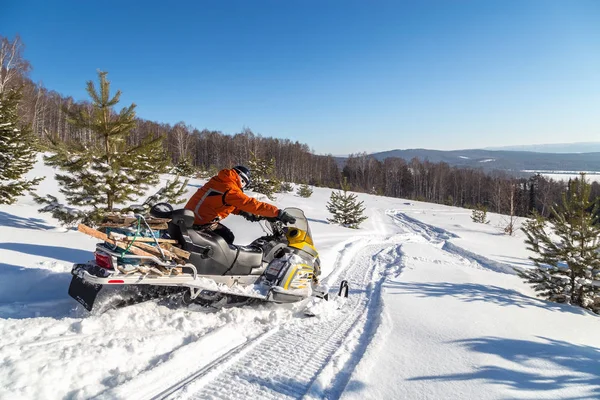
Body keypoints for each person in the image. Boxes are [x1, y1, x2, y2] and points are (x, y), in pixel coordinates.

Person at [184, 165, 296, 245]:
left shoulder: (222, 181)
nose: (243, 188)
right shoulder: (230, 187)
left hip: (193, 217)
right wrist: (277, 212)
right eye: (244, 185)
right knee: (226, 237)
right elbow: (250, 203)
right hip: (200, 222)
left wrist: (242, 211)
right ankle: (217, 267)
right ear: (242, 180)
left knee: (225, 236)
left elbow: (221, 202)